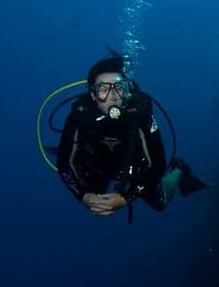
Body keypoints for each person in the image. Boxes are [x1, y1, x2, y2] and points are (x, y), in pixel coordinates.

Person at [56, 51, 209, 219]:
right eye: (103, 89)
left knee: (160, 202)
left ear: (127, 90)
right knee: (94, 194)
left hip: (134, 163)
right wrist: (84, 197)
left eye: (119, 88)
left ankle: (180, 169)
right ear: (93, 95)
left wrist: (126, 197)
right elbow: (64, 163)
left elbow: (157, 163)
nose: (113, 97)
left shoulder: (139, 113)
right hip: (98, 163)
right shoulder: (80, 115)